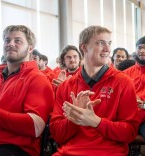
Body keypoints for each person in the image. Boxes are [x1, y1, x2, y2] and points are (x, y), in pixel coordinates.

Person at [50, 25, 139, 156]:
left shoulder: (123, 82)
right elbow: (57, 135)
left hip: (109, 152)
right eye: (100, 43)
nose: (108, 49)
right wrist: (75, 118)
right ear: (84, 47)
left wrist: (96, 122)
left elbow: (130, 133)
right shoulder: (66, 86)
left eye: (109, 43)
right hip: (70, 152)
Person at [0, 25, 54, 156]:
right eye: (7, 40)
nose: (10, 44)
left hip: (13, 148)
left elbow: (35, 127)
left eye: (18, 41)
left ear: (30, 48)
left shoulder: (37, 79)